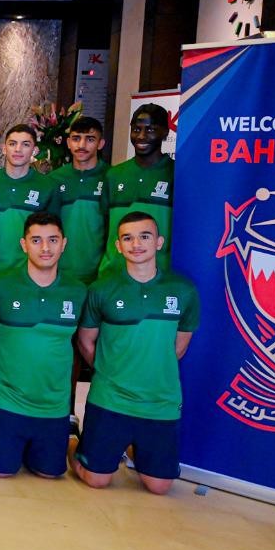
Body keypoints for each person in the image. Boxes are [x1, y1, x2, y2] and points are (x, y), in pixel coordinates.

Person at [73, 211, 199, 494]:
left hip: (160, 401)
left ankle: (132, 449)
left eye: (144, 236)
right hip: (110, 398)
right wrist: (109, 373)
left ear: (159, 242)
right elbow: (86, 341)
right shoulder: (102, 289)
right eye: (127, 238)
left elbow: (179, 346)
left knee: (159, 487)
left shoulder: (183, 290)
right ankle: (78, 448)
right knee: (96, 480)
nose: (136, 244)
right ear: (118, 246)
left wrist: (150, 371)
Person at [0, 212, 85, 478]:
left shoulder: (78, 291)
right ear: (24, 244)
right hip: (5, 401)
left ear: (64, 243)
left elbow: (82, 345)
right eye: (36, 240)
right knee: (1, 472)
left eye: (53, 240)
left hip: (53, 406)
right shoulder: (0, 284)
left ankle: (70, 441)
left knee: (49, 475)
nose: (45, 248)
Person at [0, 124, 61, 281]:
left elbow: (53, 234)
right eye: (12, 144)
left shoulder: (48, 186)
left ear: (34, 151)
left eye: (25, 144)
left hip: (28, 275)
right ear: (4, 149)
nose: (18, 149)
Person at [100, 104, 174, 273]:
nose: (141, 136)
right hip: (114, 274)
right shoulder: (114, 174)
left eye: (150, 130)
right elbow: (103, 227)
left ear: (165, 132)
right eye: (136, 129)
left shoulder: (176, 174)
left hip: (159, 276)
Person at [49, 115, 109, 285]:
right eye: (76, 139)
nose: (81, 145)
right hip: (59, 275)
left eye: (90, 139)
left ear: (100, 144)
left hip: (101, 275)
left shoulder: (111, 177)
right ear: (68, 143)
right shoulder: (53, 180)